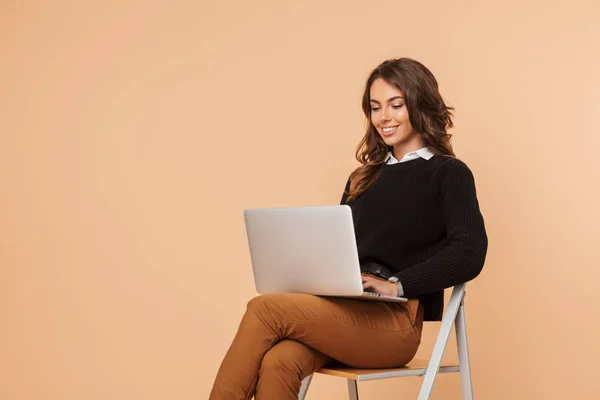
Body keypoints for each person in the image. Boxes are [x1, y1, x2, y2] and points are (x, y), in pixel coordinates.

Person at [209, 57, 488, 400]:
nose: (384, 117)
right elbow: (338, 250)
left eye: (396, 105)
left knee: (264, 309)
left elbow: (469, 252)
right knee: (279, 361)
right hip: (344, 311)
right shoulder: (363, 178)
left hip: (394, 323)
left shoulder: (448, 173)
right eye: (375, 107)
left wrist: (396, 285)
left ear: (421, 104)